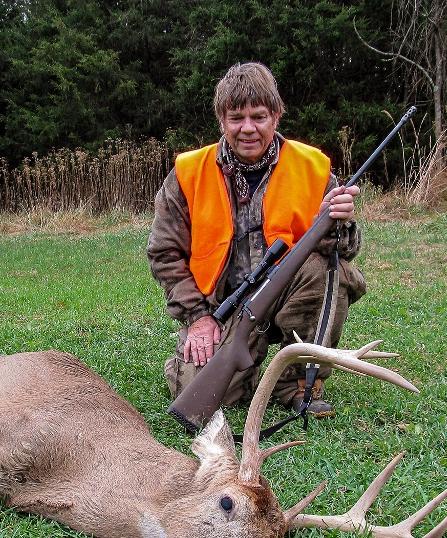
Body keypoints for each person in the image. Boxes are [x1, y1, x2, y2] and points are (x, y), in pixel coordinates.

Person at [146, 62, 366, 415]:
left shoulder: (312, 168)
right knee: (203, 394)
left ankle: (296, 381)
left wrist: (336, 222)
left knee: (323, 270)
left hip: (289, 293)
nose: (248, 128)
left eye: (259, 117)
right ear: (221, 120)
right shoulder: (188, 173)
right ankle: (239, 363)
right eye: (236, 118)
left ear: (276, 116)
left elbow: (344, 252)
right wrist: (198, 318)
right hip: (222, 307)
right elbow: (164, 253)